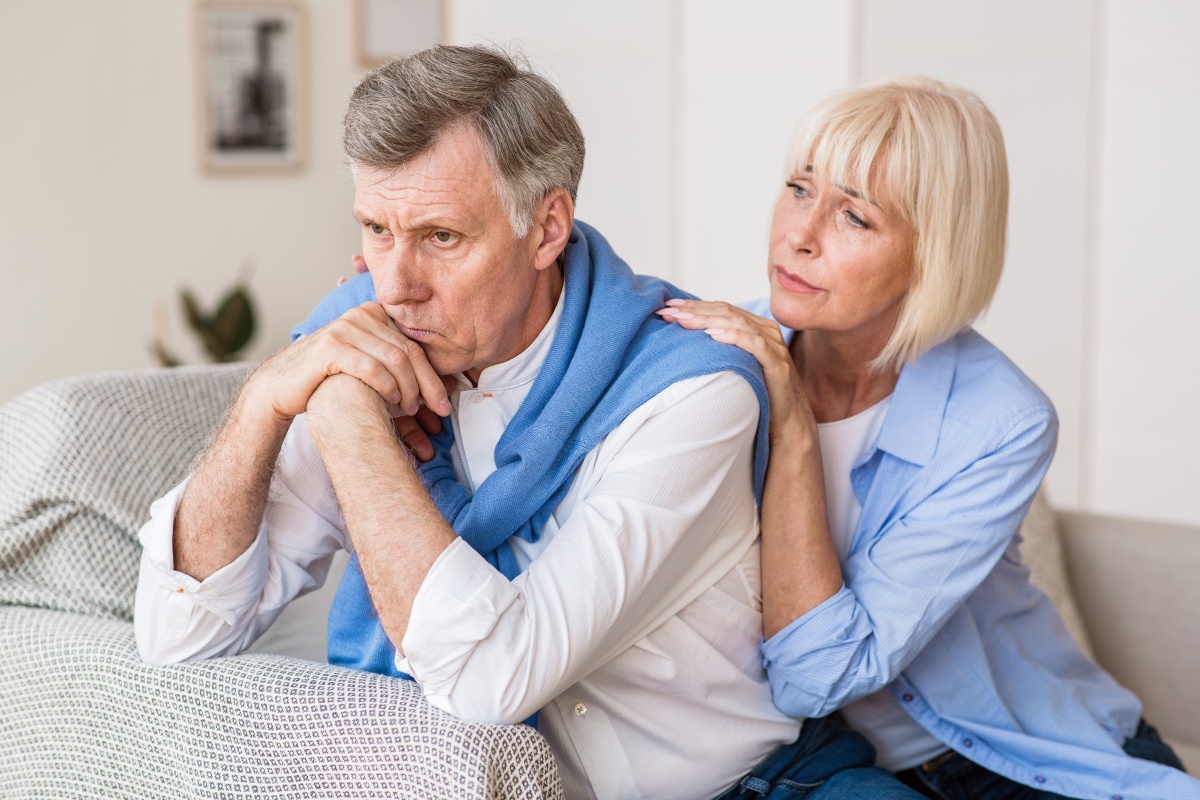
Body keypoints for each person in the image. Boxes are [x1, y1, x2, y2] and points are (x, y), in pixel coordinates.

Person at [134, 46, 924, 800]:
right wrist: (266, 398)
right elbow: (179, 631)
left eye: (442, 237)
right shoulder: (364, 346)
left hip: (759, 785)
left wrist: (342, 416)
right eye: (376, 230)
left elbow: (490, 678)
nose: (396, 284)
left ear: (547, 228)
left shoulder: (691, 393)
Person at [657, 76, 1200, 800]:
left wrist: (793, 426)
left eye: (854, 216)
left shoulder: (1001, 422)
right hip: (833, 766)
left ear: (933, 254)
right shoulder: (719, 360)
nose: (800, 235)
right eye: (798, 188)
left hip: (1025, 758)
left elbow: (819, 674)